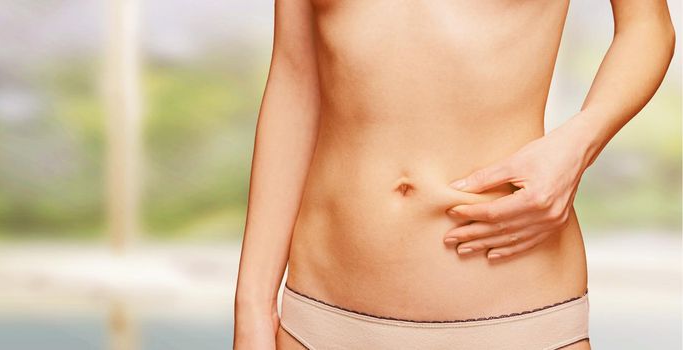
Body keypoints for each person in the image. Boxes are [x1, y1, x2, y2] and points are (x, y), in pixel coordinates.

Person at [234, 0, 675, 349]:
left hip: (518, 319)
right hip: (320, 321)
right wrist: (252, 307)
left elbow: (646, 25)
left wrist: (579, 143)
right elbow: (294, 77)